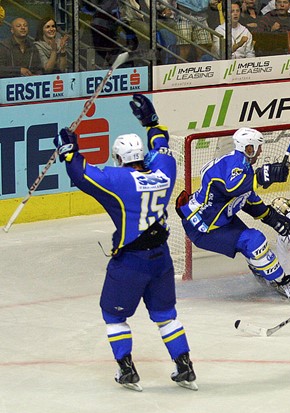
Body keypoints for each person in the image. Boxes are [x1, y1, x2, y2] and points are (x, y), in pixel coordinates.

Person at [52, 94, 198, 391]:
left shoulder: (117, 181)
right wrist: (151, 122)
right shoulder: (164, 170)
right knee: (165, 316)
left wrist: (69, 150)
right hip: (161, 258)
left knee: (114, 316)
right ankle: (185, 366)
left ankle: (127, 370)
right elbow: (161, 145)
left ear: (119, 158)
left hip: (130, 262)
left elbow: (80, 174)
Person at [174, 128, 290, 302]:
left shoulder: (242, 165)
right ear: (249, 148)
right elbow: (233, 187)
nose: (260, 152)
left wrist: (272, 218)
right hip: (204, 227)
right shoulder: (233, 165)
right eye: (258, 148)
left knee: (252, 243)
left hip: (221, 220)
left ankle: (259, 267)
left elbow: (249, 200)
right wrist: (262, 176)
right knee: (255, 240)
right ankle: (282, 284)